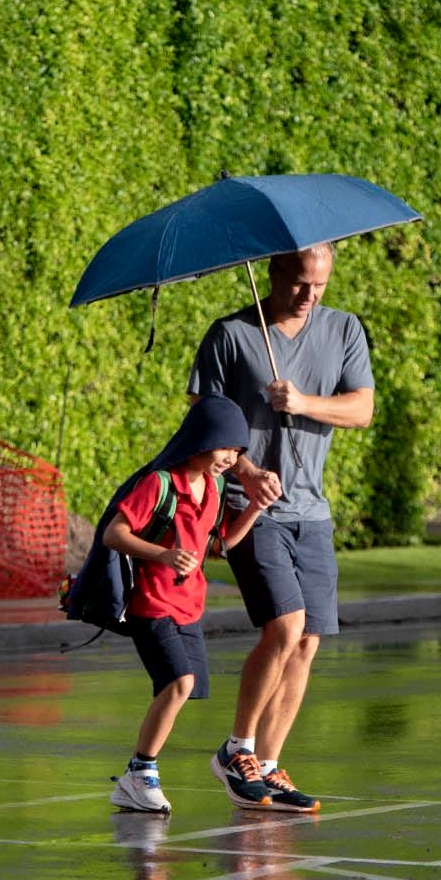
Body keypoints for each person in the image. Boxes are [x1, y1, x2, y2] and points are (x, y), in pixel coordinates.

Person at [189, 242, 375, 813]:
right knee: (285, 625)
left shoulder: (343, 330)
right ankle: (235, 749)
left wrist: (303, 402)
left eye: (319, 284)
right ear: (272, 272)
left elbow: (362, 409)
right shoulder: (231, 334)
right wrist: (244, 468)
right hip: (251, 508)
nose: (309, 295)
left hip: (312, 512)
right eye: (299, 283)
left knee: (310, 639)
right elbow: (202, 420)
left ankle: (266, 766)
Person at [98, 396, 264, 814]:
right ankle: (141, 772)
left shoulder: (214, 487)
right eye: (226, 447)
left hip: (189, 607)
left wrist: (258, 507)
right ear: (202, 438)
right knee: (179, 684)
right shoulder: (159, 484)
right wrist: (162, 555)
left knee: (178, 690)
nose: (231, 458)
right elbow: (114, 534)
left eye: (238, 452)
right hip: (152, 604)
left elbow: (220, 545)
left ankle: (138, 777)